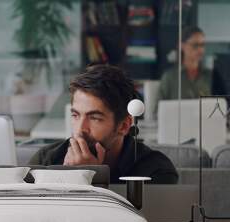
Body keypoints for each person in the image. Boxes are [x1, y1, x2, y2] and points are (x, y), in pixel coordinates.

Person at [29, 64, 178, 184]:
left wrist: (90, 178)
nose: (80, 129)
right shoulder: (45, 161)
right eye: (75, 115)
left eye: (94, 118)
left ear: (124, 126)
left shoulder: (156, 171)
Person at [157, 26, 211, 106]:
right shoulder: (169, 77)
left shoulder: (211, 76)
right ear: (182, 45)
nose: (200, 50)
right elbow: (158, 111)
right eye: (195, 45)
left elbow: (223, 106)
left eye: (202, 45)